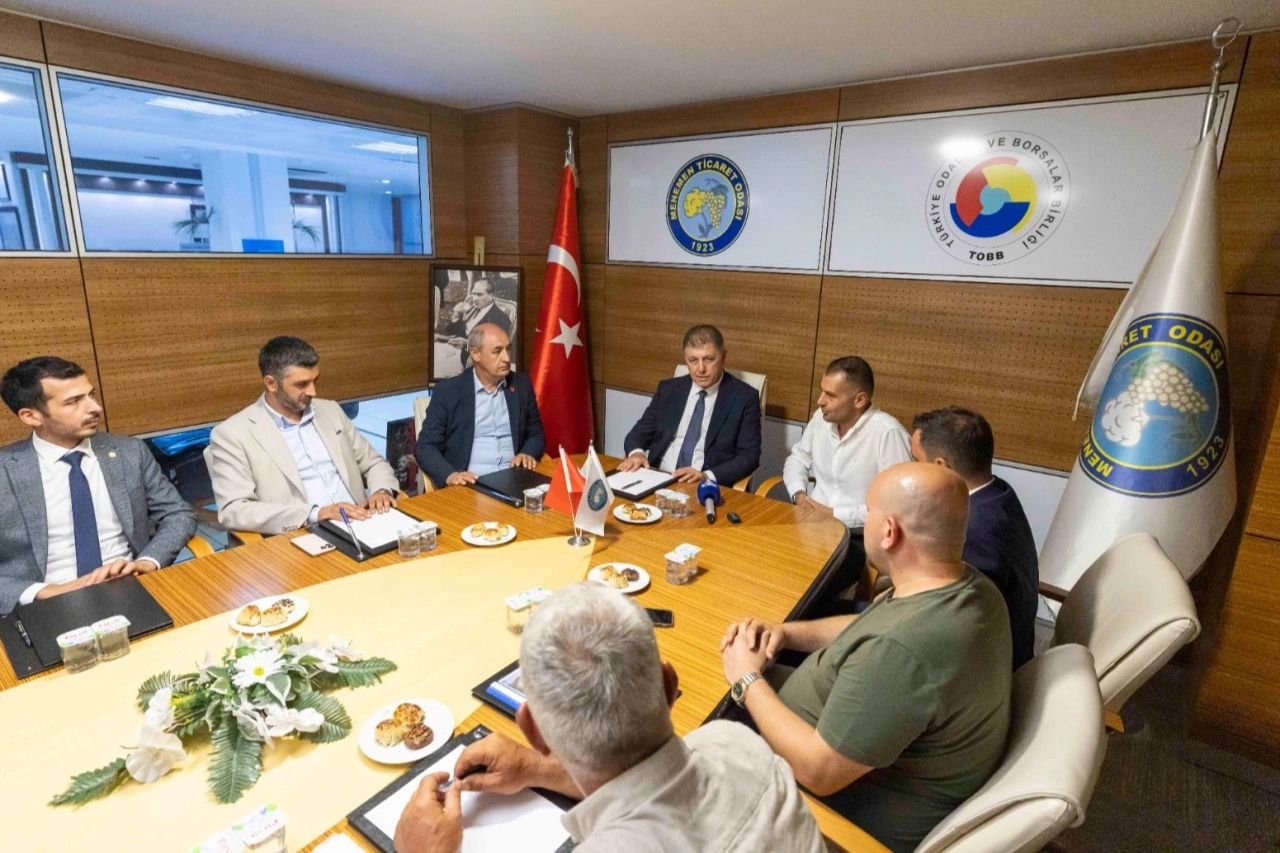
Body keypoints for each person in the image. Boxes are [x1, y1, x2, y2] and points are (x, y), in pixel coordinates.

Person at [394, 583, 823, 853]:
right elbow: (646, 780)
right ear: (669, 685)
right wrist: (537, 769)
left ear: (533, 730)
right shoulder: (736, 741)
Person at [720, 463, 1012, 852]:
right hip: (841, 732)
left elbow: (818, 771)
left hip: (828, 811)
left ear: (889, 532)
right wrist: (786, 632)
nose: (865, 517)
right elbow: (868, 625)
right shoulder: (969, 587)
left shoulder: (902, 653)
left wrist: (746, 679)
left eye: (869, 510)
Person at [0, 356, 196, 613]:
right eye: (73, 402)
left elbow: (178, 514)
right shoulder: (5, 471)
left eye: (90, 395)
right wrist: (45, 592)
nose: (95, 408)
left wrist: (147, 562)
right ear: (31, 416)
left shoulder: (129, 452)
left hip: (132, 588)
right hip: (44, 606)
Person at [207, 336, 400, 535]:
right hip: (302, 533)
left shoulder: (330, 411)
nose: (312, 391)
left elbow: (374, 463)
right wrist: (316, 513)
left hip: (364, 523)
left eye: (315, 380)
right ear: (271, 383)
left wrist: (382, 491)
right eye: (302, 384)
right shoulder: (233, 434)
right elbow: (234, 510)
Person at [911, 406, 1039, 669]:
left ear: (941, 467)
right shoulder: (999, 492)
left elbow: (957, 627)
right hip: (1004, 644)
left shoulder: (973, 532)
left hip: (983, 668)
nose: (911, 470)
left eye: (916, 461)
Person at [783, 356, 911, 609]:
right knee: (765, 563)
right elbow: (797, 459)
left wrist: (834, 514)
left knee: (803, 593)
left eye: (830, 395)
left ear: (859, 400)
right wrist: (799, 495)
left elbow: (896, 510)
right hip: (810, 524)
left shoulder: (887, 433)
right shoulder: (821, 419)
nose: (820, 401)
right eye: (822, 391)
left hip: (855, 539)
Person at [617, 325, 761, 485]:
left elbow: (749, 456)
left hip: (703, 484)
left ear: (723, 356)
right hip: (658, 478)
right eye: (693, 360)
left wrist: (706, 476)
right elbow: (638, 434)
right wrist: (637, 454)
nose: (701, 369)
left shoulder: (744, 398)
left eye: (708, 359)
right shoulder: (669, 389)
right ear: (686, 359)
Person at [415, 323, 545, 489]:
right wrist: (450, 475)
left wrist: (527, 453)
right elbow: (425, 447)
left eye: (508, 349)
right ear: (475, 354)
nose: (507, 358)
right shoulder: (449, 391)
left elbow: (536, 433)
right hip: (471, 484)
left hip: (516, 478)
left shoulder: (521, 384)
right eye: (497, 351)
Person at [445, 277, 512, 369]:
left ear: (491, 296)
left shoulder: (500, 318)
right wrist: (456, 317)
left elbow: (496, 346)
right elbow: (451, 331)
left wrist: (467, 344)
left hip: (478, 366)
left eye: (479, 295)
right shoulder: (472, 310)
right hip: (457, 356)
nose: (475, 298)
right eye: (473, 294)